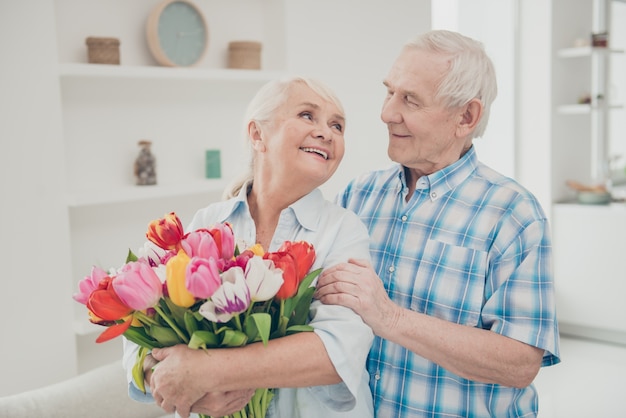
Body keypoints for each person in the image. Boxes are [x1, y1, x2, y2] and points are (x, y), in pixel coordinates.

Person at [314, 29, 561, 417]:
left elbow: (520, 362)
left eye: (410, 100)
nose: (386, 113)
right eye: (390, 91)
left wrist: (390, 317)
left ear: (466, 116)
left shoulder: (513, 213)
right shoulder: (357, 196)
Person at [122, 76, 374, 418]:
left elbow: (336, 353)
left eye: (337, 125)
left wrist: (206, 371)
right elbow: (142, 329)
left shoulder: (344, 231)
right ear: (258, 135)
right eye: (307, 115)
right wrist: (162, 375)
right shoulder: (206, 223)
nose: (326, 132)